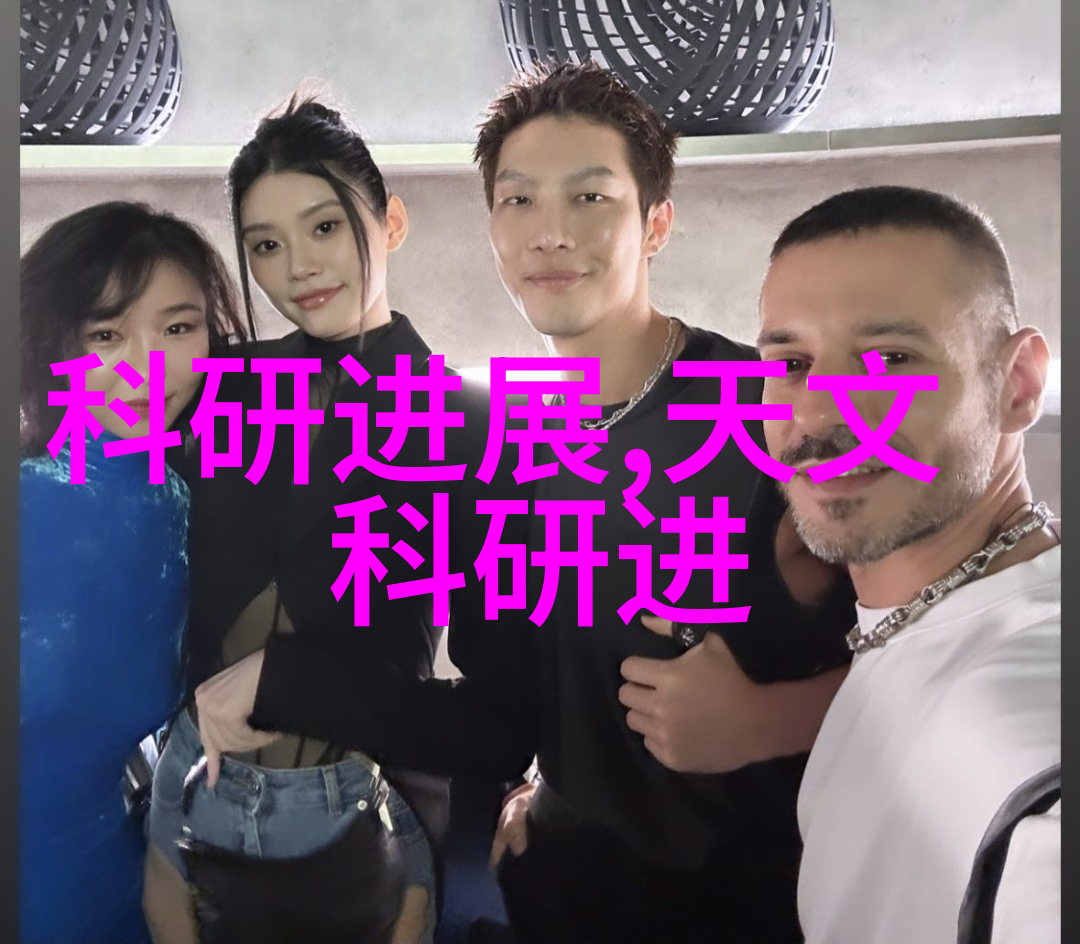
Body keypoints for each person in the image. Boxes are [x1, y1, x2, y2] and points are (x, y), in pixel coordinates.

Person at [194, 63, 857, 943]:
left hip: (759, 900)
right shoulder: (508, 439)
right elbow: (509, 703)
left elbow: (944, 622)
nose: (550, 233)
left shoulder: (771, 403)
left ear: (657, 222)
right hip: (561, 884)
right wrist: (543, 779)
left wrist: (766, 721)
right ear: (492, 228)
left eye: (590, 197)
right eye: (519, 201)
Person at [142, 95, 531, 944]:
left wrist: (289, 683)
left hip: (367, 829)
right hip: (193, 804)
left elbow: (500, 726)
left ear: (391, 222)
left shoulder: (475, 427)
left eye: (325, 227)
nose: (299, 268)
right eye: (265, 245)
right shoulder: (213, 388)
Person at [755, 185, 1060, 944]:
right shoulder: (897, 622)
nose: (817, 412)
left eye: (890, 358)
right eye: (792, 362)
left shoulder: (1027, 766)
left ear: (1017, 385)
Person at [19, 202, 244, 944]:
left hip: (121, 889)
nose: (148, 365)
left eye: (178, 328)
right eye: (107, 335)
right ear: (52, 342)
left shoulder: (186, 504)